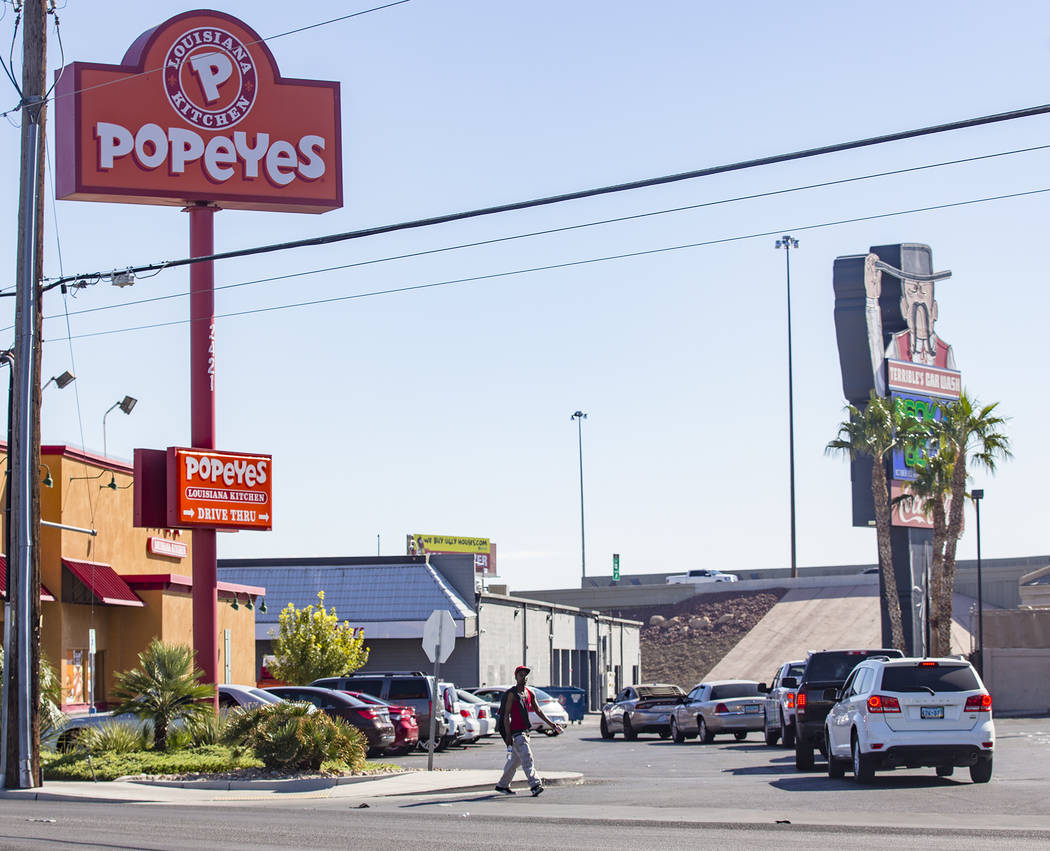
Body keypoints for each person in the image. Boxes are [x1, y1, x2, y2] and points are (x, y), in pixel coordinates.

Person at [864, 252, 956, 396]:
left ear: (935, 309)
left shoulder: (945, 351)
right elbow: (881, 385)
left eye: (924, 292)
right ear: (904, 307)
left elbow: (954, 407)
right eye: (912, 291)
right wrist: (872, 300)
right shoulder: (898, 343)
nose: (918, 296)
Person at [495, 665, 562, 796]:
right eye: (521, 675)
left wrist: (552, 725)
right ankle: (535, 784)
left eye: (525, 675)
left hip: (525, 731)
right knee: (527, 758)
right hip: (516, 733)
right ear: (516, 677)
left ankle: (502, 785)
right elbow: (505, 716)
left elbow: (538, 710)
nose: (524, 678)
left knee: (515, 761)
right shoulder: (512, 694)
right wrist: (508, 735)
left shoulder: (529, 693)